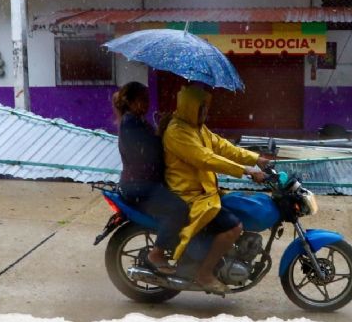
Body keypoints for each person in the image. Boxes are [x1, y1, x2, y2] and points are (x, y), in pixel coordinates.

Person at [162, 83, 269, 293]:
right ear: (191, 108)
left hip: (204, 191)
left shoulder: (197, 128)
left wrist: (257, 159)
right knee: (233, 228)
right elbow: (206, 159)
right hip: (189, 194)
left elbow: (222, 146)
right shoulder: (177, 132)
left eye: (206, 108)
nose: (206, 112)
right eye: (202, 108)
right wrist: (247, 171)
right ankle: (204, 274)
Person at [113, 81, 189, 275]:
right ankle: (157, 253)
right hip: (140, 186)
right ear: (130, 102)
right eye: (142, 100)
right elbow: (150, 151)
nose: (146, 104)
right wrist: (163, 131)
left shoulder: (138, 121)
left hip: (144, 183)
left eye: (147, 100)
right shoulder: (131, 123)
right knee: (179, 209)